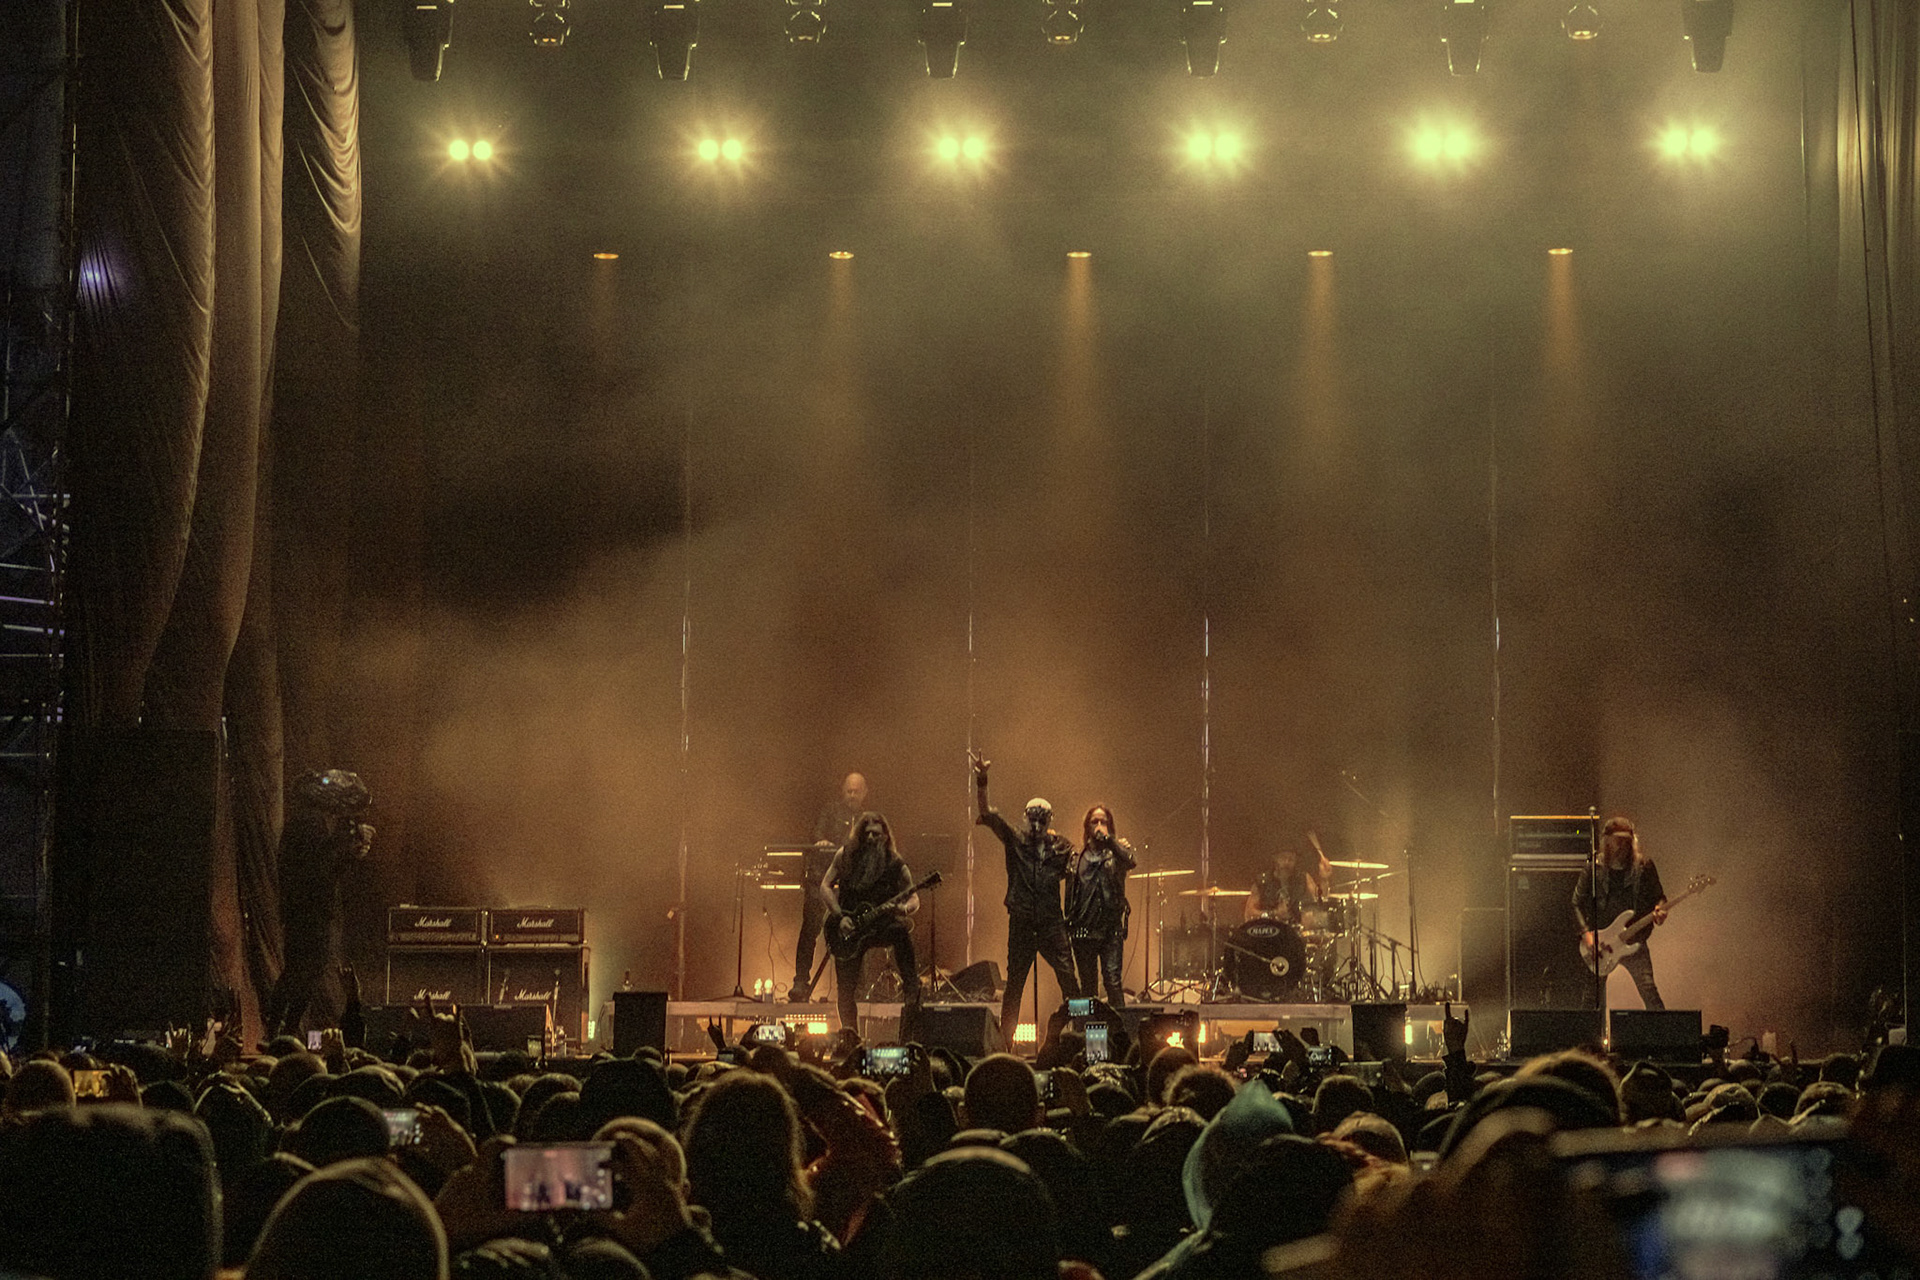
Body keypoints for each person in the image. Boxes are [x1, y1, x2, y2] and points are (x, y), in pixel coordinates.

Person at [971, 752, 1080, 1036]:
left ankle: (1082, 1037)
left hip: (1051, 922)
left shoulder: (1061, 847)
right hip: (1021, 920)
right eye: (1033, 818)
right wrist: (982, 778)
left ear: (1049, 820)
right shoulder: (1015, 839)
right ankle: (1006, 1044)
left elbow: (1074, 872)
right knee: (1015, 985)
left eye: (1042, 819)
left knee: (1069, 979)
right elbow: (987, 814)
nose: (1036, 824)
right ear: (1025, 817)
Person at [264, 769, 375, 1037]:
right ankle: (280, 1027)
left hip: (309, 909)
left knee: (305, 972)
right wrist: (348, 842)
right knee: (302, 972)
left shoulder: (310, 822)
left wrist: (351, 852)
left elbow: (325, 869)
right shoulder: (307, 822)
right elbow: (315, 866)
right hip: (307, 911)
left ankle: (284, 1027)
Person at [821, 811, 921, 1037]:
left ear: (885, 836)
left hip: (879, 925)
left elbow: (914, 897)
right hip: (849, 927)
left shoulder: (895, 864)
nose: (870, 839)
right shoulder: (844, 856)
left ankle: (912, 988)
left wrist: (904, 909)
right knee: (845, 991)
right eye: (866, 834)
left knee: (900, 932)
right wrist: (839, 916)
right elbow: (825, 886)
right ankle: (850, 1038)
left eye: (876, 835)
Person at [1572, 814, 1668, 1010]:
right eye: (1617, 841)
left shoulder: (1644, 867)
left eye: (1626, 841)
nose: (1621, 847)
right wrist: (1586, 936)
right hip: (1601, 945)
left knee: (1649, 992)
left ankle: (1664, 1038)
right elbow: (1576, 903)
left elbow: (1659, 897)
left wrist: (1661, 911)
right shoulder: (1593, 870)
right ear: (1607, 842)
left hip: (1634, 940)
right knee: (1591, 1000)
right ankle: (1587, 1040)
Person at [793, 772, 870, 1002]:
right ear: (842, 791)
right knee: (811, 929)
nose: (852, 795)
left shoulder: (868, 818)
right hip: (822, 879)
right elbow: (816, 832)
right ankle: (800, 981)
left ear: (865, 793)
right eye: (849, 790)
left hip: (851, 886)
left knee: (856, 932)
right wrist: (822, 842)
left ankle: (855, 988)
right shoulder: (830, 811)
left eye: (857, 791)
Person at [1067, 806, 1135, 1009]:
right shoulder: (1076, 857)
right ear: (1087, 827)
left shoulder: (1117, 853)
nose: (1099, 826)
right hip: (1083, 931)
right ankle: (1087, 1038)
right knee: (1086, 989)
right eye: (1094, 822)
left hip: (1110, 931)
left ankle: (1118, 1037)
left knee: (1113, 983)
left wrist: (1111, 841)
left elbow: (1132, 861)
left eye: (1103, 822)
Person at [1243, 845, 1329, 924]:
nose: (1287, 862)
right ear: (1275, 859)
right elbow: (1249, 913)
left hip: (1296, 931)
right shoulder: (1263, 881)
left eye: (1291, 859)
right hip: (1269, 930)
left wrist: (1324, 879)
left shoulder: (1303, 878)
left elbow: (1321, 899)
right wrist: (1274, 913)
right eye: (1283, 858)